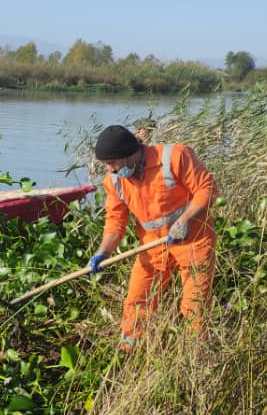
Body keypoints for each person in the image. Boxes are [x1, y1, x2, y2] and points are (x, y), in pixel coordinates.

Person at [88, 124, 218, 349]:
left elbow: (207, 188)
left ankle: (197, 360)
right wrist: (104, 251)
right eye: (106, 165)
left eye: (113, 163)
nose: (110, 170)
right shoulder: (115, 181)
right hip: (152, 246)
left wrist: (184, 221)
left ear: (130, 155)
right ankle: (127, 356)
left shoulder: (174, 156)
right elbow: (115, 220)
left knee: (194, 307)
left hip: (194, 241)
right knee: (136, 303)